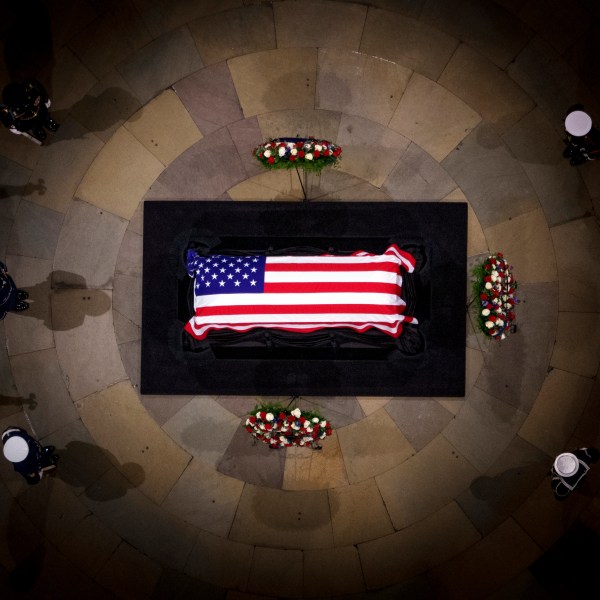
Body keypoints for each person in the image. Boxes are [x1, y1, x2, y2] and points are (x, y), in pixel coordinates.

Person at [0, 78, 59, 145]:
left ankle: (48, 122)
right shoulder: (6, 111)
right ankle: (38, 129)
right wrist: (15, 129)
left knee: (44, 116)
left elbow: (40, 89)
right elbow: (8, 122)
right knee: (33, 125)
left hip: (38, 108)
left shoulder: (31, 86)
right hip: (26, 120)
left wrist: (45, 99)